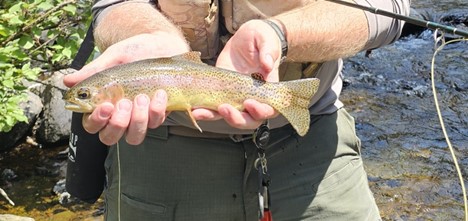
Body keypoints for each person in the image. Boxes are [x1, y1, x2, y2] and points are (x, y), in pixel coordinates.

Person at [63, 0, 410, 220]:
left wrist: (281, 34)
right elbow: (113, 6)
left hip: (313, 154)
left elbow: (389, 8)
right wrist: (150, 32)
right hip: (158, 154)